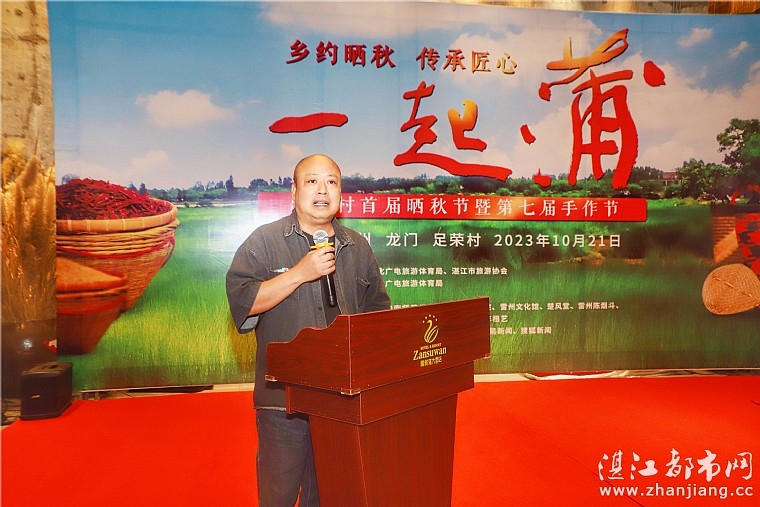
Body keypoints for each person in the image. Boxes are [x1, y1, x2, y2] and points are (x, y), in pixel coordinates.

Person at [225, 154, 391, 506]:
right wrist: (300, 273)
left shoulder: (358, 247)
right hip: (283, 399)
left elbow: (378, 315)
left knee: (329, 493)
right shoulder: (264, 241)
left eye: (331, 182)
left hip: (342, 400)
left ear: (341, 192)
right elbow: (243, 302)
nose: (322, 190)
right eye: (312, 181)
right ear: (294, 190)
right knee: (279, 495)